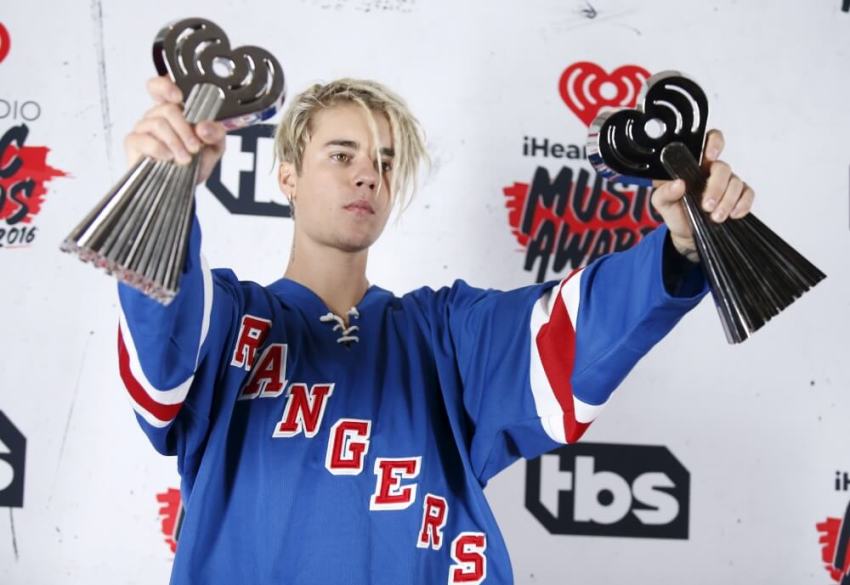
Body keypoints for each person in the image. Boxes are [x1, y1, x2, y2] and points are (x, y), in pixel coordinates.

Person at [118, 75, 754, 584]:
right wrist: (164, 188)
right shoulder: (231, 322)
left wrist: (679, 242)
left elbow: (574, 331)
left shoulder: (445, 332)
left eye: (385, 163)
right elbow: (163, 340)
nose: (368, 174)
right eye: (342, 155)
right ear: (287, 175)